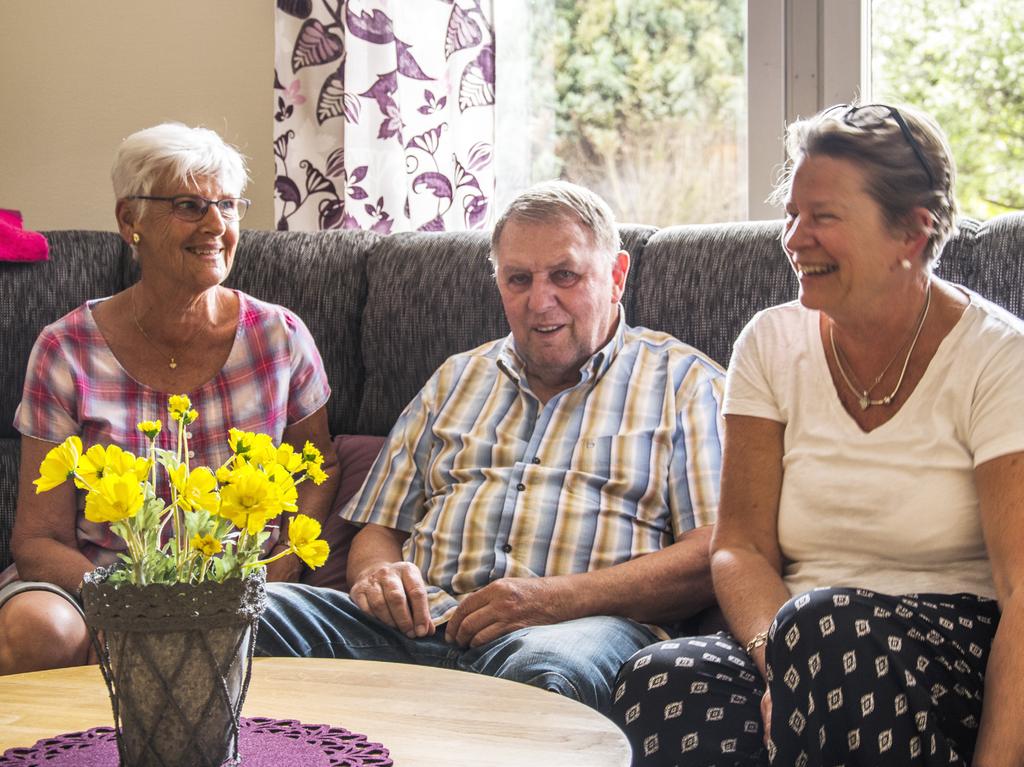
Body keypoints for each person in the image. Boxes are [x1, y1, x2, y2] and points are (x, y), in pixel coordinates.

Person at [612, 101, 1024, 767]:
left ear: (912, 233)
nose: (794, 238)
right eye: (792, 215)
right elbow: (739, 545)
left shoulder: (998, 357)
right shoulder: (770, 342)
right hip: (800, 637)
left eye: (823, 217)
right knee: (660, 676)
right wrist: (787, 671)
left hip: (950, 652)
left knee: (823, 625)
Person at [255, 180, 724, 711]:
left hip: (568, 632)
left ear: (616, 276)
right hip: (412, 629)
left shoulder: (687, 385)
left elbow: (712, 554)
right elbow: (380, 528)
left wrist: (553, 599)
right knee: (244, 616)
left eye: (564, 276)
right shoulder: (455, 378)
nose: (539, 301)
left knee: (546, 675)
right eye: (518, 279)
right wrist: (377, 577)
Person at [0, 123, 339, 675]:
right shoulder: (65, 348)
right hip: (98, 583)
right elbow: (39, 539)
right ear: (129, 220)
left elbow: (317, 469)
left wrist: (278, 573)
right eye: (189, 205)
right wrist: (131, 607)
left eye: (227, 206)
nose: (216, 225)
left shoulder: (280, 337)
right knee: (39, 631)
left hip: (233, 588)